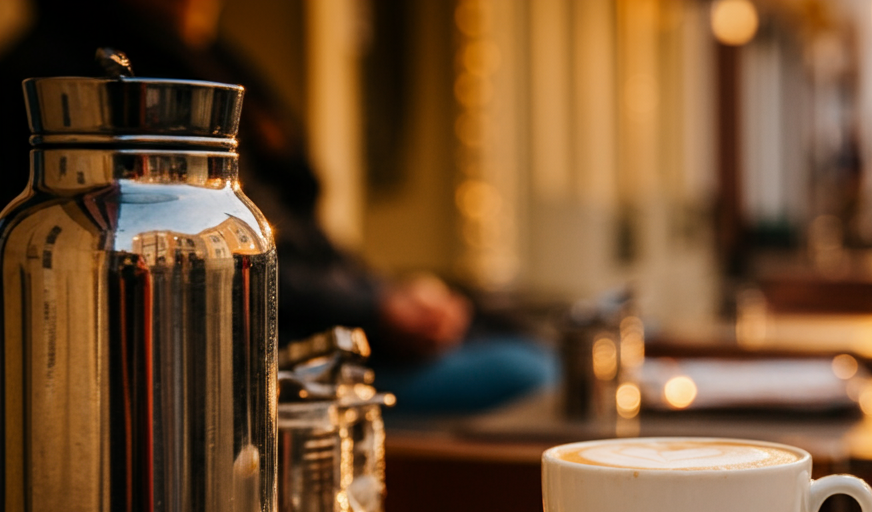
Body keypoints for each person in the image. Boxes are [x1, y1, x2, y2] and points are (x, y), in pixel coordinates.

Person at [0, 0, 553, 412]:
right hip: (253, 361)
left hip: (335, 322)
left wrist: (389, 294)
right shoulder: (86, 72)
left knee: (526, 336)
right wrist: (375, 310)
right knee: (531, 369)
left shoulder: (202, 54)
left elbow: (297, 231)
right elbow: (199, 252)